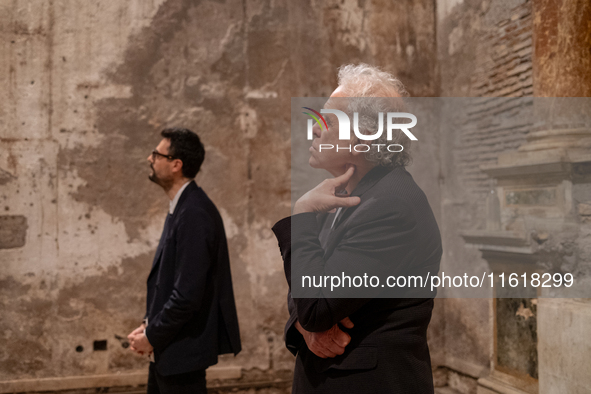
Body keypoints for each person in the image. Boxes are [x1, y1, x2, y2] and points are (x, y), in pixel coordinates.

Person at [272, 64, 442, 393]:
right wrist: (305, 326)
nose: (314, 129)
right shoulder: (350, 194)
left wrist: (302, 212)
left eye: (328, 121)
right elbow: (305, 284)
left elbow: (316, 306)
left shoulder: (391, 206)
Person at [127, 128, 241, 394]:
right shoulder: (183, 207)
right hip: (169, 350)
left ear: (176, 165)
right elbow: (167, 281)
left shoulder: (194, 213)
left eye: (157, 154)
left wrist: (151, 336)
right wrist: (148, 326)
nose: (149, 159)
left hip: (182, 352)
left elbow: (187, 295)